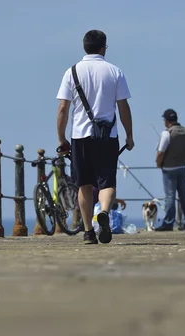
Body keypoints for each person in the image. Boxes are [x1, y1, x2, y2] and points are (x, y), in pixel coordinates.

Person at [56, 30, 134, 244]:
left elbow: (63, 108)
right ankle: (105, 213)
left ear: (85, 46)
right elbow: (123, 107)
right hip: (108, 136)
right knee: (107, 181)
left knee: (85, 185)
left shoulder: (71, 72)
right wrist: (129, 135)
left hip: (80, 136)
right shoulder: (114, 72)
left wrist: (62, 138)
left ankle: (89, 231)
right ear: (103, 47)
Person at [154, 109, 185, 231]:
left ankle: (168, 223)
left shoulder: (167, 133)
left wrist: (159, 163)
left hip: (169, 169)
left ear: (167, 121)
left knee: (170, 196)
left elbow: (161, 151)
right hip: (184, 168)